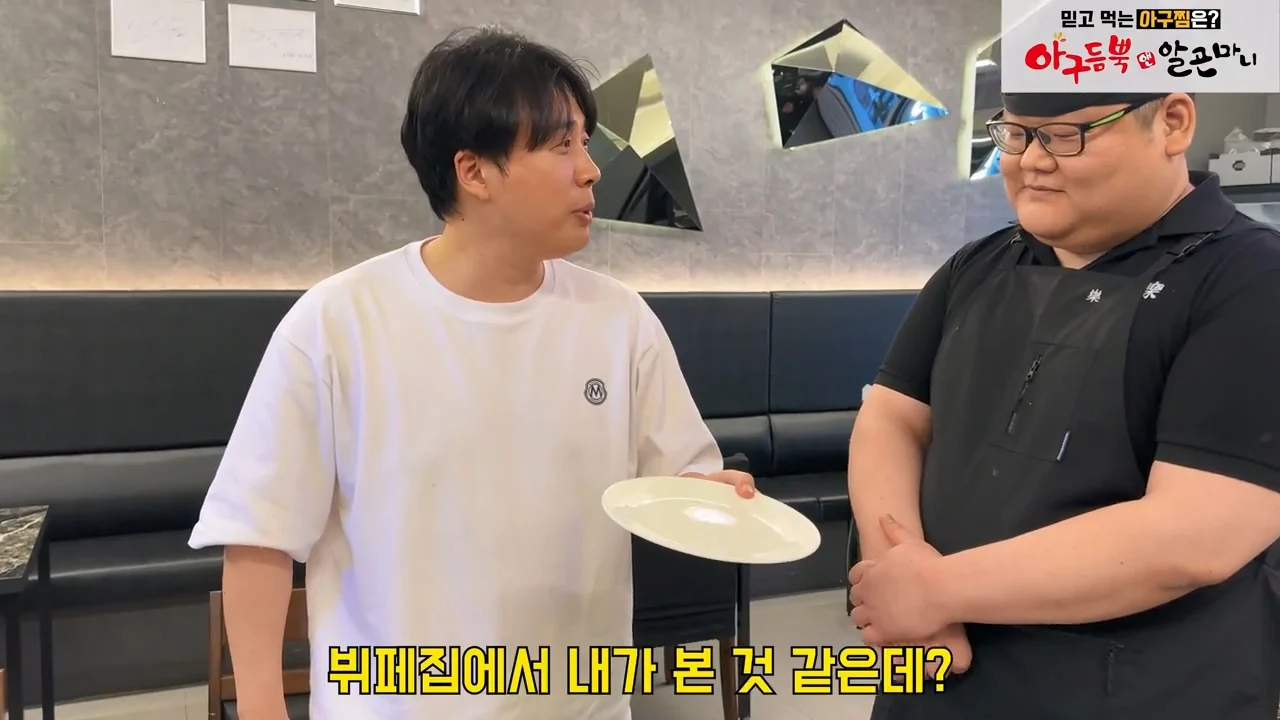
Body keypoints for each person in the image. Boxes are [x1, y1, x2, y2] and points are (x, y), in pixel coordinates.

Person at [189, 26, 754, 720]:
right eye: (562, 145)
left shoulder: (620, 320)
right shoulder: (337, 323)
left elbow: (677, 479)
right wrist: (263, 708)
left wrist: (710, 498)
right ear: (474, 171)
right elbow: (260, 535)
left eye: (585, 143)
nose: (591, 170)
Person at [847, 91, 1280, 719]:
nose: (1032, 160)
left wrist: (936, 589)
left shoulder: (1249, 279)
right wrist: (896, 568)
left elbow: (1199, 531)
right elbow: (892, 417)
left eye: (1065, 134)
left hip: (1130, 688)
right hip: (934, 667)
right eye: (1017, 135)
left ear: (1172, 123)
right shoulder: (979, 265)